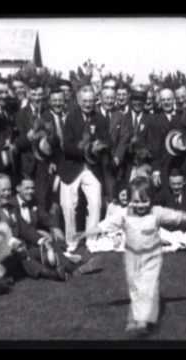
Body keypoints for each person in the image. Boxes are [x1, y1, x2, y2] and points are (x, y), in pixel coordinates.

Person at [75, 176, 186, 336]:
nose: (140, 205)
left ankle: (143, 320)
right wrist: (84, 234)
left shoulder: (157, 212)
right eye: (135, 201)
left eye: (144, 201)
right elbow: (104, 225)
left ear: (151, 200)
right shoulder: (124, 214)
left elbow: (178, 216)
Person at [58, 86, 110, 254]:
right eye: (85, 101)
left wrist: (99, 146)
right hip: (72, 166)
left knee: (96, 203)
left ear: (96, 101)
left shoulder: (101, 119)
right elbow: (67, 146)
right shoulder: (71, 118)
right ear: (79, 102)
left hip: (92, 168)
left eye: (91, 101)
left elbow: (106, 142)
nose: (88, 104)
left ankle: (92, 240)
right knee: (68, 205)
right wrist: (87, 150)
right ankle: (71, 241)